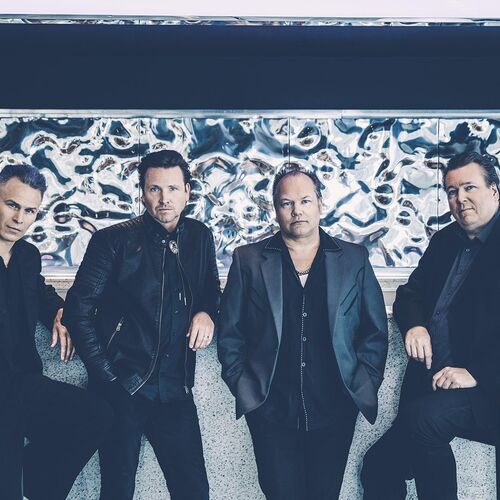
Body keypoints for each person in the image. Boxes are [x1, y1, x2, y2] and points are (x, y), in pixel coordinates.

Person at [218, 162, 388, 500]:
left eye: (305, 201)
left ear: (320, 204)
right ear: (275, 208)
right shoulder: (248, 260)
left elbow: (375, 330)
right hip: (270, 409)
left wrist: (363, 382)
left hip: (336, 408)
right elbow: (230, 332)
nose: (297, 210)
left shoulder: (353, 259)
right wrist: (243, 386)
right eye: (287, 203)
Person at [63, 149, 220, 500]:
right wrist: (109, 378)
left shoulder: (199, 236)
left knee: (194, 490)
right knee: (118, 491)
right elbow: (77, 310)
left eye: (173, 188)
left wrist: (207, 312)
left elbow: (211, 291)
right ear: (142, 192)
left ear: (187, 191)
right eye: (154, 189)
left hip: (175, 389)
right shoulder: (113, 240)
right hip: (122, 387)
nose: (164, 199)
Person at [361, 151, 500, 500]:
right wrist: (415, 326)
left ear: (494, 190)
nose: (460, 198)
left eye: (469, 187)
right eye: (452, 191)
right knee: (379, 466)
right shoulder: (446, 240)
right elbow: (410, 293)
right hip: (434, 385)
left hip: (486, 388)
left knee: (423, 422)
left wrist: (477, 373)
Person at [0, 163, 112, 500]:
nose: (19, 218)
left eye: (29, 211)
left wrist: (59, 311)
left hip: (22, 381)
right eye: (12, 205)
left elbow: (38, 290)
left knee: (96, 416)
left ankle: (34, 481)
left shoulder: (27, 256)